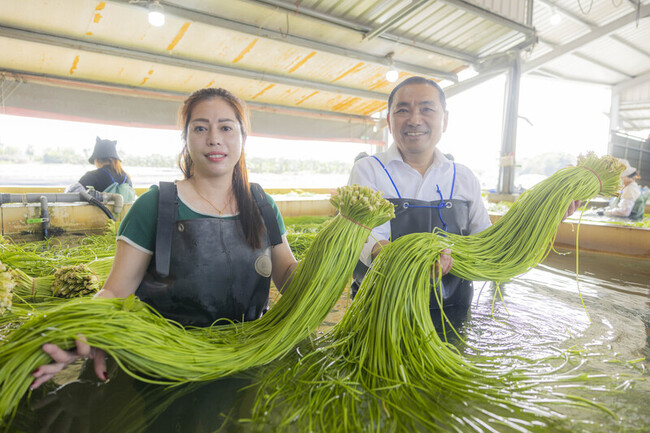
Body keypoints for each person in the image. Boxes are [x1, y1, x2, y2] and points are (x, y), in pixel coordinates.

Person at [31, 87, 299, 389]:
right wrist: (82, 327)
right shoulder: (156, 205)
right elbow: (115, 292)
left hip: (250, 360)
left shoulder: (262, 205)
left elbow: (289, 275)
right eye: (200, 128)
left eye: (226, 127)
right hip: (166, 366)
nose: (214, 138)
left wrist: (332, 260)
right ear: (185, 139)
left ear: (243, 137)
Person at [348, 76, 580, 314]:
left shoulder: (464, 177)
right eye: (402, 110)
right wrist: (408, 260)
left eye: (427, 109)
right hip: (381, 310)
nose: (415, 120)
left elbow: (489, 247)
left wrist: (543, 220)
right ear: (389, 120)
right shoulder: (369, 170)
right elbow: (367, 237)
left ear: (445, 119)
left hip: (452, 310)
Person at [66, 137, 136, 202]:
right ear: (115, 159)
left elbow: (69, 197)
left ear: (96, 159)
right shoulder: (126, 178)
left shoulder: (92, 176)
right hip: (124, 215)